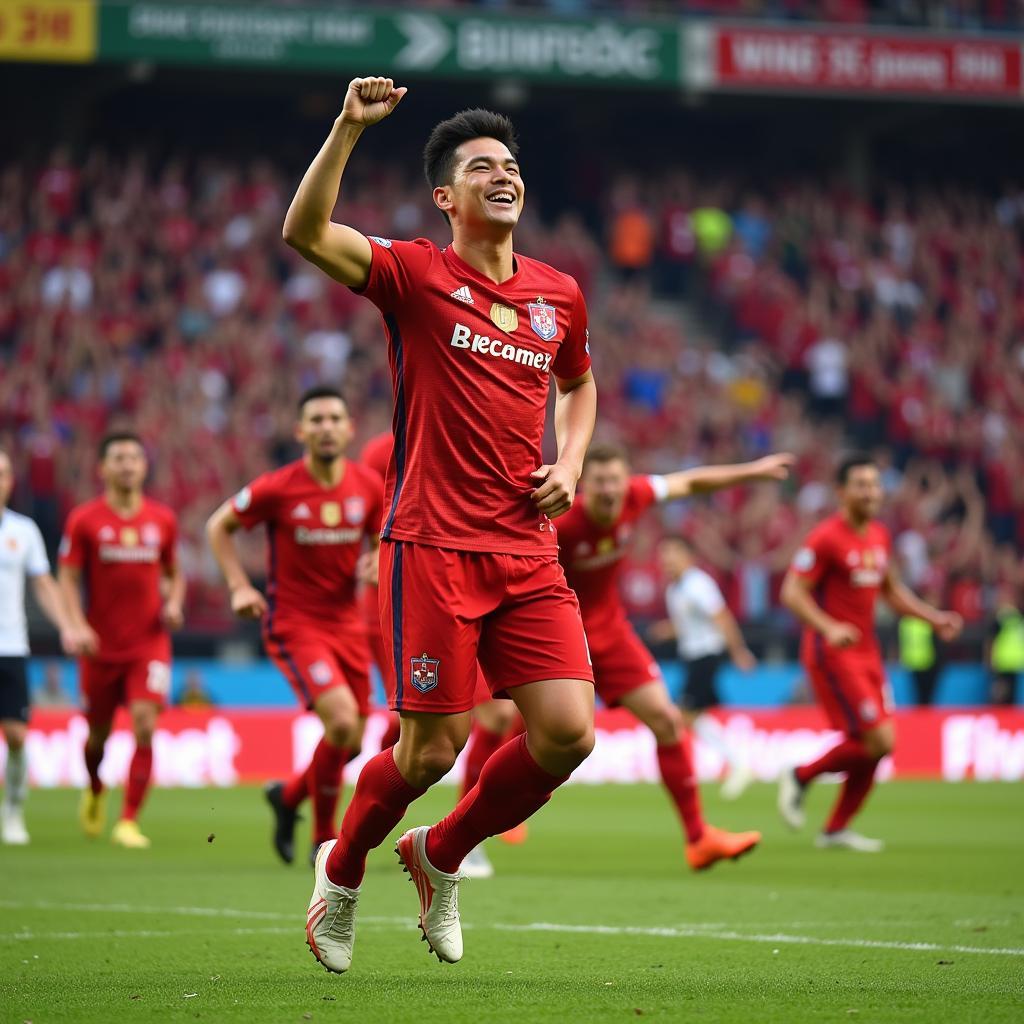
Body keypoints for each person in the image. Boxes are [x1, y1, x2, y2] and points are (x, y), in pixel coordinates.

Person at [284, 79, 597, 973]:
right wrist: (346, 128)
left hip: (526, 548)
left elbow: (580, 387)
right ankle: (341, 874)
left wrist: (569, 464)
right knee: (428, 751)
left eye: (512, 166)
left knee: (569, 733)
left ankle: (439, 854)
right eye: (482, 168)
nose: (504, 176)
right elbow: (305, 235)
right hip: (433, 545)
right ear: (446, 198)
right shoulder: (417, 273)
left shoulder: (557, 295)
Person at [556, 444, 792, 870]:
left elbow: (691, 481)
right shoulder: (564, 521)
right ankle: (474, 832)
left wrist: (752, 472)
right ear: (582, 484)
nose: (609, 490)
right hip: (562, 633)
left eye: (616, 479)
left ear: (626, 479)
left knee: (667, 721)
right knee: (517, 727)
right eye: (599, 482)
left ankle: (699, 838)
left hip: (612, 632)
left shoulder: (637, 496)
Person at [207, 388, 383, 867]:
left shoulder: (368, 487)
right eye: (316, 419)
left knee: (350, 742)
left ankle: (286, 799)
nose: (326, 426)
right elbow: (218, 525)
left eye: (334, 418)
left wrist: (378, 560)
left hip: (351, 626)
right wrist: (240, 586)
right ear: (300, 431)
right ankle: (324, 840)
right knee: (343, 724)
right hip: (296, 624)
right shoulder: (278, 487)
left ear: (349, 429)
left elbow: (384, 538)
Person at [778, 453, 963, 851]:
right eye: (861, 485)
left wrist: (933, 618)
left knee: (880, 745)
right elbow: (791, 592)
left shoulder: (879, 535)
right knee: (877, 740)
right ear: (841, 492)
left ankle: (835, 828)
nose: (871, 492)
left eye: (875, 485)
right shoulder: (825, 537)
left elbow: (891, 591)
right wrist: (829, 626)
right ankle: (801, 775)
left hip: (868, 653)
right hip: (833, 651)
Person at [361, 429, 522, 881]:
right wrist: (373, 555)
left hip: (469, 585)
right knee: (416, 725)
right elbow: (365, 511)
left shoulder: (479, 429)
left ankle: (460, 839)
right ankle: (369, 816)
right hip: (407, 590)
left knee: (487, 717)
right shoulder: (381, 450)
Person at [58, 432, 185, 849]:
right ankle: (95, 786)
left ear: (144, 466)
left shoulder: (161, 519)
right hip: (100, 645)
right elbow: (68, 577)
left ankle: (128, 820)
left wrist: (174, 603)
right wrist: (76, 625)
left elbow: (174, 572)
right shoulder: (85, 519)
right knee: (97, 736)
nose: (128, 464)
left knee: (145, 726)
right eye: (119, 458)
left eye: (134, 457)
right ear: (103, 468)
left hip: (149, 644)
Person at [0, 449, 83, 845]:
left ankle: (13, 809)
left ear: (10, 481)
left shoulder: (24, 530)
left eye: (2, 473)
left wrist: (67, 625)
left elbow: (44, 585)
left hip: (11, 646)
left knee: (16, 736)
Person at [654, 535, 759, 800]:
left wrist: (738, 652)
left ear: (689, 557)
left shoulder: (698, 584)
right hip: (692, 657)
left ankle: (733, 764)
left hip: (706, 656)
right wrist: (669, 631)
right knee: (694, 716)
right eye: (664, 554)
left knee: (682, 715)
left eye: (673, 553)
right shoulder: (674, 589)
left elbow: (722, 617)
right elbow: (688, 623)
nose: (667, 559)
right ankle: (738, 763)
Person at [989, 585, 1024, 706]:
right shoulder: (1002, 618)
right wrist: (991, 658)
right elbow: (992, 640)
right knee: (1002, 692)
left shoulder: (1016, 617)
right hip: (1003, 661)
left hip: (1013, 662)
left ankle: (1006, 716)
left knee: (1009, 693)